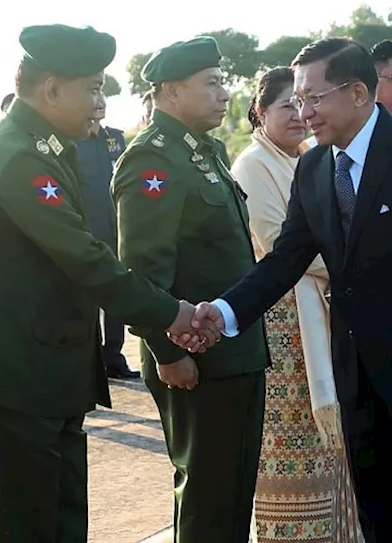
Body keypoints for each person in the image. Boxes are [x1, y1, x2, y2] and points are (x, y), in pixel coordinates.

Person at [193, 38, 392, 543]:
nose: (304, 112)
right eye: (296, 100)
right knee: (383, 509)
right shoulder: (314, 168)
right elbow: (285, 259)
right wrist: (223, 313)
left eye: (314, 98)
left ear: (358, 93)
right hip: (357, 375)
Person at [0, 24, 209, 542]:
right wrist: (171, 313)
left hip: (44, 376)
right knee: (30, 530)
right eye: (92, 89)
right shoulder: (19, 155)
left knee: (61, 528)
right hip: (13, 379)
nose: (101, 105)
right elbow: (85, 260)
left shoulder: (41, 148)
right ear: (51, 89)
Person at [114, 36, 270, 542]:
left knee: (233, 487)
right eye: (211, 84)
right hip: (195, 358)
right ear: (171, 91)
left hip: (236, 349)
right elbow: (141, 270)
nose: (224, 94)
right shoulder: (152, 161)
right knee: (206, 488)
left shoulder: (206, 150)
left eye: (222, 82)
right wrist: (165, 351)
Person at [234, 67, 362, 542]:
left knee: (330, 440)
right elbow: (278, 243)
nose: (296, 115)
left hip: (322, 308)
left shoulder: (312, 158)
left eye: (302, 103)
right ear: (259, 112)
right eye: (285, 105)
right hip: (285, 320)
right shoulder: (253, 165)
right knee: (292, 437)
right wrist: (352, 263)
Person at [76, 92, 138, 378]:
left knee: (116, 292)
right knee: (88, 297)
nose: (100, 101)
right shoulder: (71, 140)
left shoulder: (116, 138)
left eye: (102, 94)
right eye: (92, 94)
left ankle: (113, 355)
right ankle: (90, 361)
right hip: (86, 230)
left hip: (117, 227)